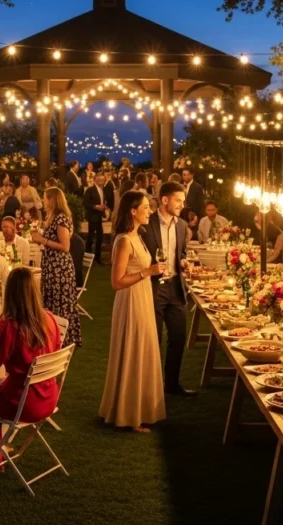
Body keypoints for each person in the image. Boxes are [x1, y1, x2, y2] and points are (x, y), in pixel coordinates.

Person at [0, 268, 61, 471]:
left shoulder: (9, 327)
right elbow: (55, 352)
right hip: (49, 397)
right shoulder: (50, 320)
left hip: (21, 402)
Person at [99, 191, 167, 432]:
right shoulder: (124, 241)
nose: (150, 211)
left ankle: (142, 409)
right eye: (146, 207)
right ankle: (128, 414)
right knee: (133, 350)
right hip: (130, 300)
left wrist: (153, 271)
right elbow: (116, 282)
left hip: (144, 297)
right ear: (133, 211)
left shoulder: (139, 236)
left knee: (145, 350)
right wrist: (148, 272)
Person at [140, 182, 194, 396]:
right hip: (154, 287)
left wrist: (184, 262)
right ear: (165, 200)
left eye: (183, 201)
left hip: (176, 287)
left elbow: (181, 253)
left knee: (178, 338)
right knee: (153, 339)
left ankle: (171, 385)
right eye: (178, 200)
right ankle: (150, 388)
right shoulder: (146, 223)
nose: (182, 205)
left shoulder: (181, 225)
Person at [31, 187, 80, 346]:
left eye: (45, 198)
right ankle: (53, 336)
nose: (43, 201)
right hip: (52, 266)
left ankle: (64, 337)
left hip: (60, 268)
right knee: (51, 301)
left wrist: (42, 240)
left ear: (52, 199)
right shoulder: (53, 218)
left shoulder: (61, 219)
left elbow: (65, 246)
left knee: (60, 302)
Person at [83, 173, 110, 264]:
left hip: (99, 217)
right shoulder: (90, 190)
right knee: (91, 237)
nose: (101, 182)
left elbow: (103, 202)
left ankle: (97, 258)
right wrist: (95, 206)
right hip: (92, 216)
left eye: (103, 180)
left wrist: (104, 209)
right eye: (99, 180)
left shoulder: (103, 191)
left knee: (100, 237)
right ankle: (87, 258)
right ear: (95, 180)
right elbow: (85, 203)